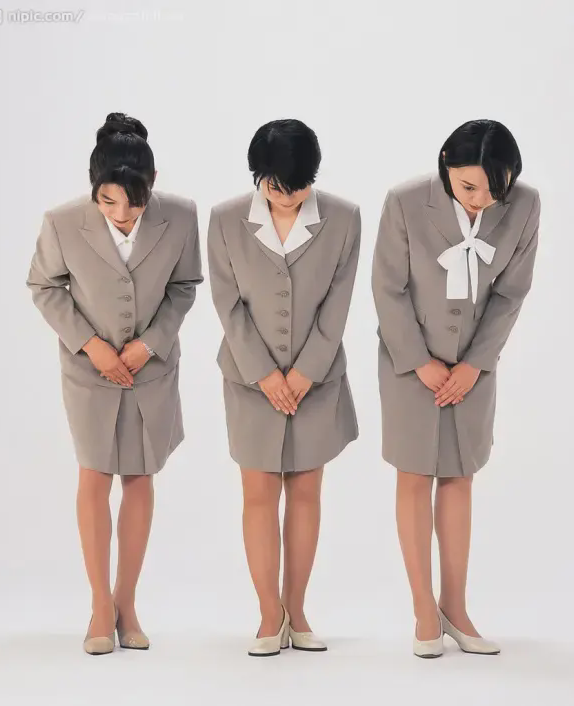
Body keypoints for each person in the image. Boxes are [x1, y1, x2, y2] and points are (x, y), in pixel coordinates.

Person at [26, 112, 203, 655]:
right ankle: (99, 606)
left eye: (135, 203)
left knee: (140, 476)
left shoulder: (181, 215)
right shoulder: (62, 222)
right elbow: (44, 285)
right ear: (93, 187)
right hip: (88, 373)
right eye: (108, 202)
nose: (122, 215)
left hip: (151, 369)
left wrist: (150, 343)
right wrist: (90, 344)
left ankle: (126, 602)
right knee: (94, 475)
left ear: (152, 185)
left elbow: (184, 286)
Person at [372, 119, 540, 658]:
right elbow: (388, 289)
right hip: (409, 364)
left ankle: (456, 607)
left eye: (495, 191)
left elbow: (511, 294)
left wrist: (476, 364)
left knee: (460, 477)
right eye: (469, 187)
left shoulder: (526, 205)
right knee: (414, 475)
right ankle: (424, 609)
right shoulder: (404, 201)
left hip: (473, 368)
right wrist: (418, 361)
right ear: (446, 163)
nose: (480, 201)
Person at [207, 119, 360, 656]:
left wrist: (304, 373)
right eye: (275, 186)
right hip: (251, 380)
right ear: (258, 175)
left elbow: (338, 303)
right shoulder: (225, 219)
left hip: (316, 381)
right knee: (258, 494)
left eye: (298, 186)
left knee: (306, 492)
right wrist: (267, 375)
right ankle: (268, 614)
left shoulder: (344, 218)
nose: (288, 195)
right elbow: (227, 303)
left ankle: (297, 609)